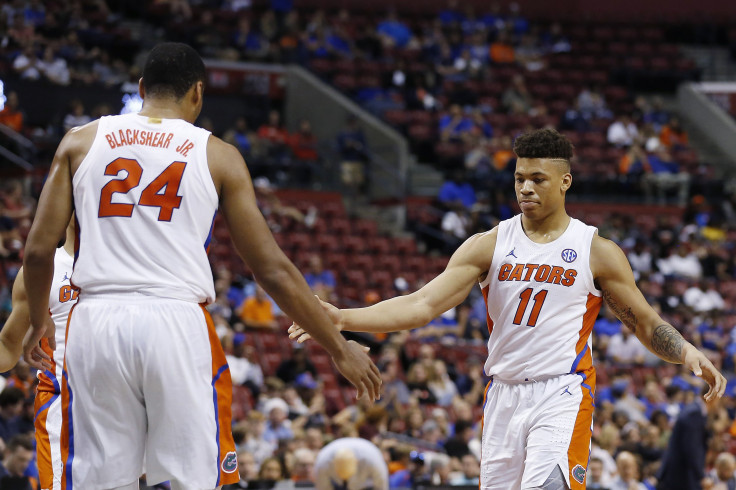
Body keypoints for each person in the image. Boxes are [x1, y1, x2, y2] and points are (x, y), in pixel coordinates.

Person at [22, 42, 381, 489]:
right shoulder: (218, 154)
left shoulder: (80, 140)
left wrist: (40, 321)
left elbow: (38, 253)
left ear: (140, 88)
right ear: (198, 93)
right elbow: (271, 269)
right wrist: (338, 346)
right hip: (175, 320)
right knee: (194, 480)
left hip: (94, 320)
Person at [290, 128, 726, 489]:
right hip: (502, 395)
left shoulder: (595, 250)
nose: (526, 188)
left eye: (537, 178)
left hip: (562, 391)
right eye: (519, 178)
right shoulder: (490, 244)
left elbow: (644, 322)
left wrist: (685, 350)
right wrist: (343, 317)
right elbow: (422, 304)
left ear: (565, 182)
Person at [0, 218, 76, 490]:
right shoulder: (41, 271)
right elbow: (8, 347)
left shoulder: (132, 264)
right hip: (62, 403)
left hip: (123, 401)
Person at [313, 437, 388, 490]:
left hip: (365, 485)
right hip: (337, 486)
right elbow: (323, 487)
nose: (345, 479)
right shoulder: (322, 463)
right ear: (333, 463)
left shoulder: (373, 460)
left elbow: (381, 486)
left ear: (356, 462)